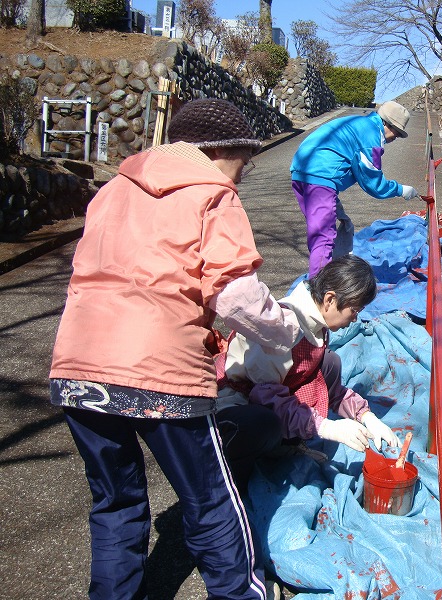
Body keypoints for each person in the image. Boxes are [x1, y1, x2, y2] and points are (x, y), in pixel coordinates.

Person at [49, 98, 301, 599]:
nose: (243, 175)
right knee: (210, 498)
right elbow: (237, 294)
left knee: (115, 502)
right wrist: (286, 331)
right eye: (244, 163)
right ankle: (238, 594)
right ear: (221, 152)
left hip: (77, 365)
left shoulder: (112, 190)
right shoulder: (213, 194)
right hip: (158, 372)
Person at [217, 255, 399, 486]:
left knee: (329, 363)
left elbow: (328, 388)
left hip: (272, 393)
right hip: (238, 405)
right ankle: (231, 474)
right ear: (330, 299)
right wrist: (326, 427)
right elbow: (266, 398)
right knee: (263, 423)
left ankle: (282, 442)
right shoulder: (281, 328)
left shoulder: (316, 325)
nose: (355, 319)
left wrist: (366, 416)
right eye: (353, 310)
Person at [290, 101, 420, 278]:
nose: (394, 138)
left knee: (317, 233)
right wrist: (400, 190)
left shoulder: (358, 124)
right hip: (321, 177)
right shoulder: (371, 136)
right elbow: (372, 182)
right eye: (396, 133)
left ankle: (322, 276)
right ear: (386, 124)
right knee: (324, 236)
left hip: (301, 172)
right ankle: (319, 288)